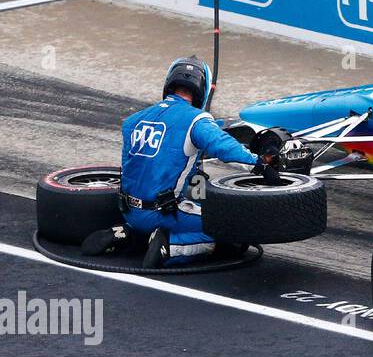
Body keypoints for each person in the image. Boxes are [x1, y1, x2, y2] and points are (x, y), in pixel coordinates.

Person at [93, 56, 275, 267]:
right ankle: (170, 246)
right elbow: (223, 146)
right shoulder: (196, 120)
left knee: (181, 189)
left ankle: (130, 234)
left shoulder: (134, 120)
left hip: (129, 211)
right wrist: (259, 164)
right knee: (233, 229)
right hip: (165, 214)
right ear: (202, 88)